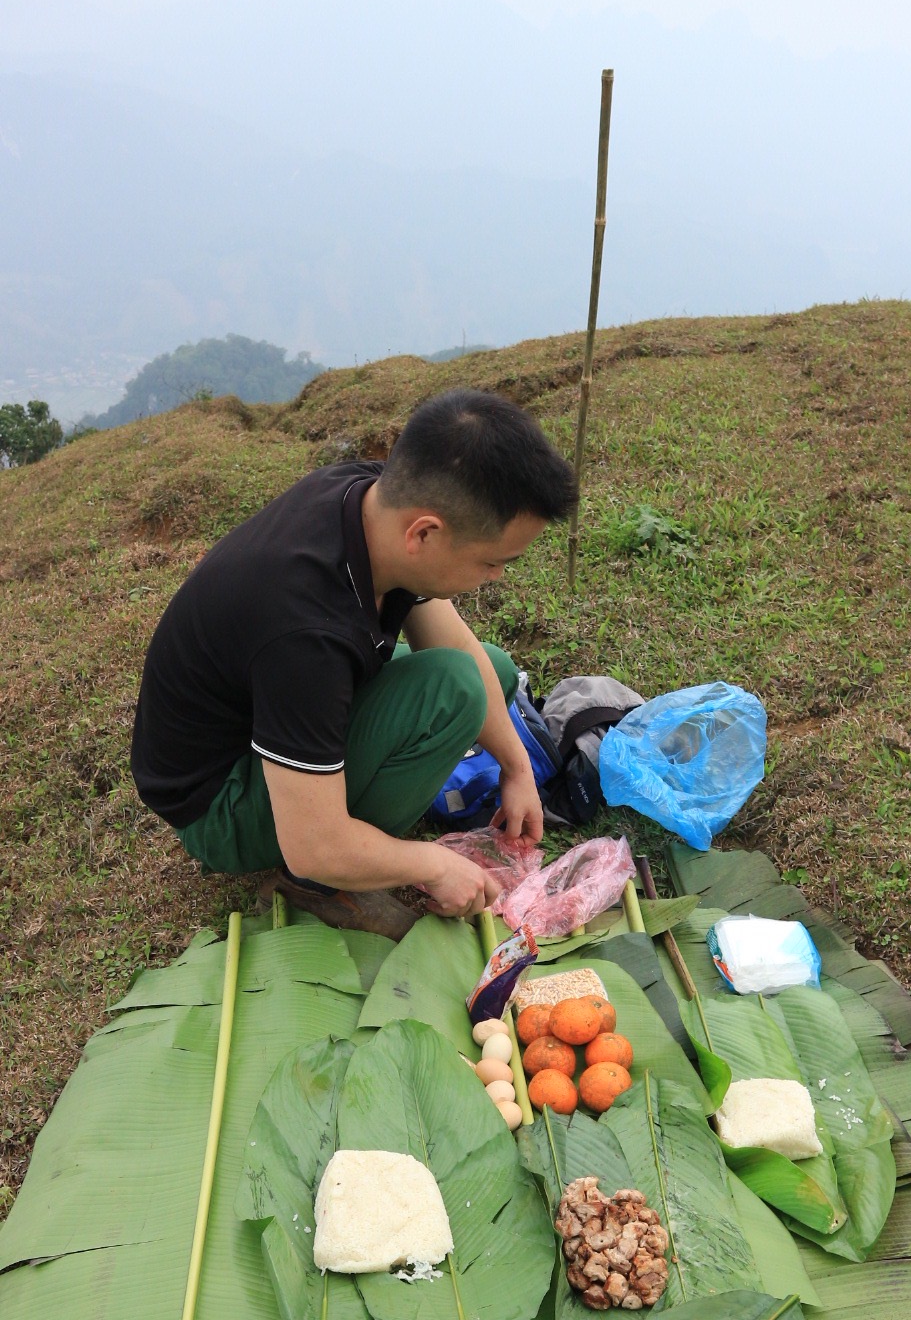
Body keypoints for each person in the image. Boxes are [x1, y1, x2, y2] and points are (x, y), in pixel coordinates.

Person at [130, 388, 577, 935]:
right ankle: (326, 891)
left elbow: (456, 646)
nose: (496, 577)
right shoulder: (304, 629)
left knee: (490, 669)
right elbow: (314, 847)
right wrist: (433, 864)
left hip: (267, 715)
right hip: (221, 802)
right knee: (456, 692)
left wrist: (516, 768)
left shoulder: (375, 501)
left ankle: (361, 808)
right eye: (490, 561)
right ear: (426, 533)